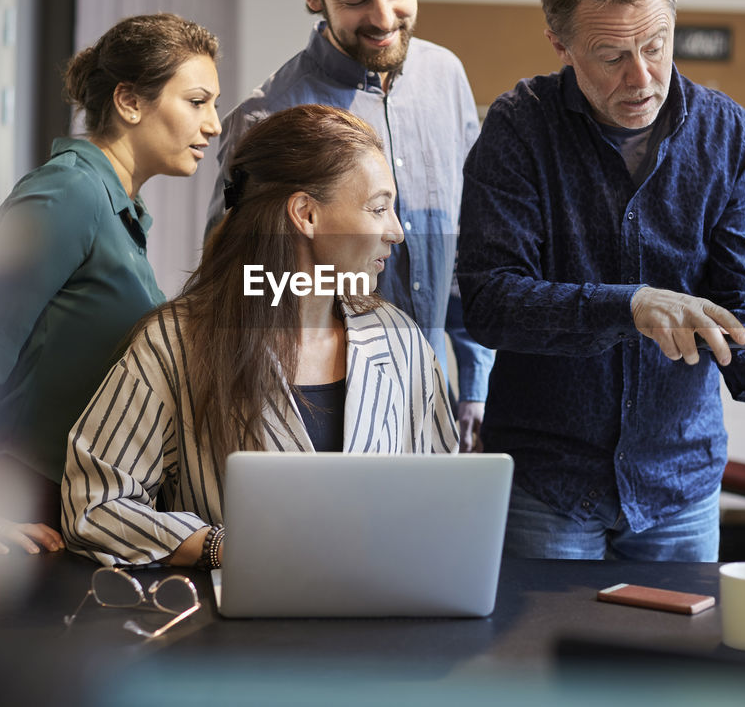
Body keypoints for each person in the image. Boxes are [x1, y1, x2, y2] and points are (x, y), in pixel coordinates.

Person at [457, 0, 745, 562]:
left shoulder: (725, 133)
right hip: (549, 486)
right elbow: (489, 300)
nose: (642, 77)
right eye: (612, 55)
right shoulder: (518, 127)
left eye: (656, 45)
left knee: (677, 663)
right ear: (560, 45)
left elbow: (736, 297)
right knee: (538, 662)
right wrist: (629, 305)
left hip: (679, 486)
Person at [63, 104, 458, 567]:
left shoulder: (399, 339)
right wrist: (221, 547)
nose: (396, 232)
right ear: (305, 214)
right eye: (378, 208)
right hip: (236, 630)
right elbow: (95, 505)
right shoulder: (174, 344)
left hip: (383, 617)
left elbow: (446, 501)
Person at [206, 0, 494, 452]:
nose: (384, 18)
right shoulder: (265, 120)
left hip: (434, 402)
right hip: (316, 413)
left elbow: (469, 251)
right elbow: (238, 284)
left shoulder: (448, 80)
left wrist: (476, 385)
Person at [0, 13, 221, 554]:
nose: (214, 124)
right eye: (197, 102)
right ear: (129, 102)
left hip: (69, 498)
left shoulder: (118, 207)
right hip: (20, 496)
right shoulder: (68, 193)